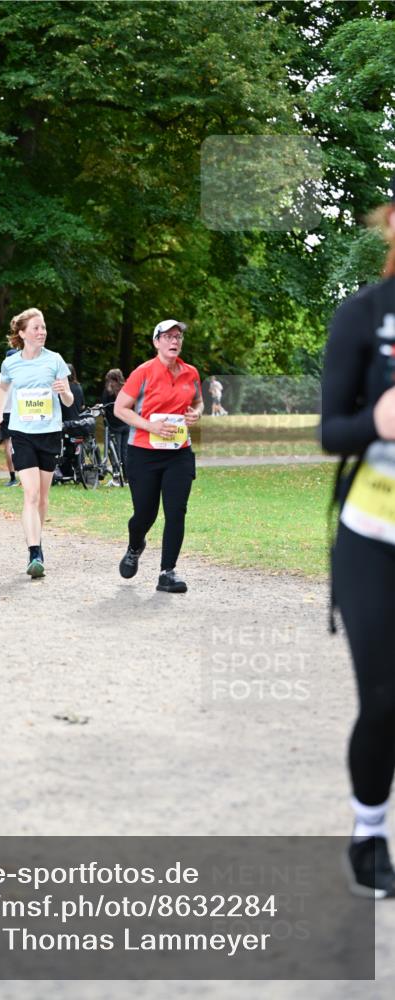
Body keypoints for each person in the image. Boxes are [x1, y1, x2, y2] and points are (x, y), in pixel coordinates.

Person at [321, 181, 395, 899]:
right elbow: (329, 432)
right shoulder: (363, 315)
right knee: (384, 699)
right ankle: (368, 832)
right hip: (373, 536)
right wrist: (376, 421)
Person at [114, 318, 203, 593]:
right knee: (145, 514)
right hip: (143, 453)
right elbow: (120, 408)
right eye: (168, 337)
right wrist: (150, 426)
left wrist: (196, 413)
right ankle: (135, 545)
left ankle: (167, 572)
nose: (174, 341)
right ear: (156, 342)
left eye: (178, 337)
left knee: (176, 511)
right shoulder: (143, 372)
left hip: (179, 453)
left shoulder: (191, 373)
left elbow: (198, 401)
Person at [0, 307, 74, 578]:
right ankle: (34, 552)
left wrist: (64, 392)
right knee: (31, 494)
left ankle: (37, 538)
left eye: (44, 327)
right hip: (22, 433)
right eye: (36, 328)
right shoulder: (11, 363)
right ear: (23, 333)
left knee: (43, 497)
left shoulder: (55, 360)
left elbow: (69, 400)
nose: (42, 332)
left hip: (49, 433)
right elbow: (3, 388)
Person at [102, 368, 129, 485]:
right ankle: (127, 477)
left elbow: (104, 407)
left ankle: (116, 477)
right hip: (126, 424)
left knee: (114, 453)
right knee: (125, 452)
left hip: (114, 426)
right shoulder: (126, 389)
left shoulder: (108, 391)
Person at [0, 347, 19, 486]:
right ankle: (23, 475)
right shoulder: (21, 371)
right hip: (19, 411)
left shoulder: (2, 373)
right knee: (22, 444)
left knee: (8, 445)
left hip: (5, 411)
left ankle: (12, 477)